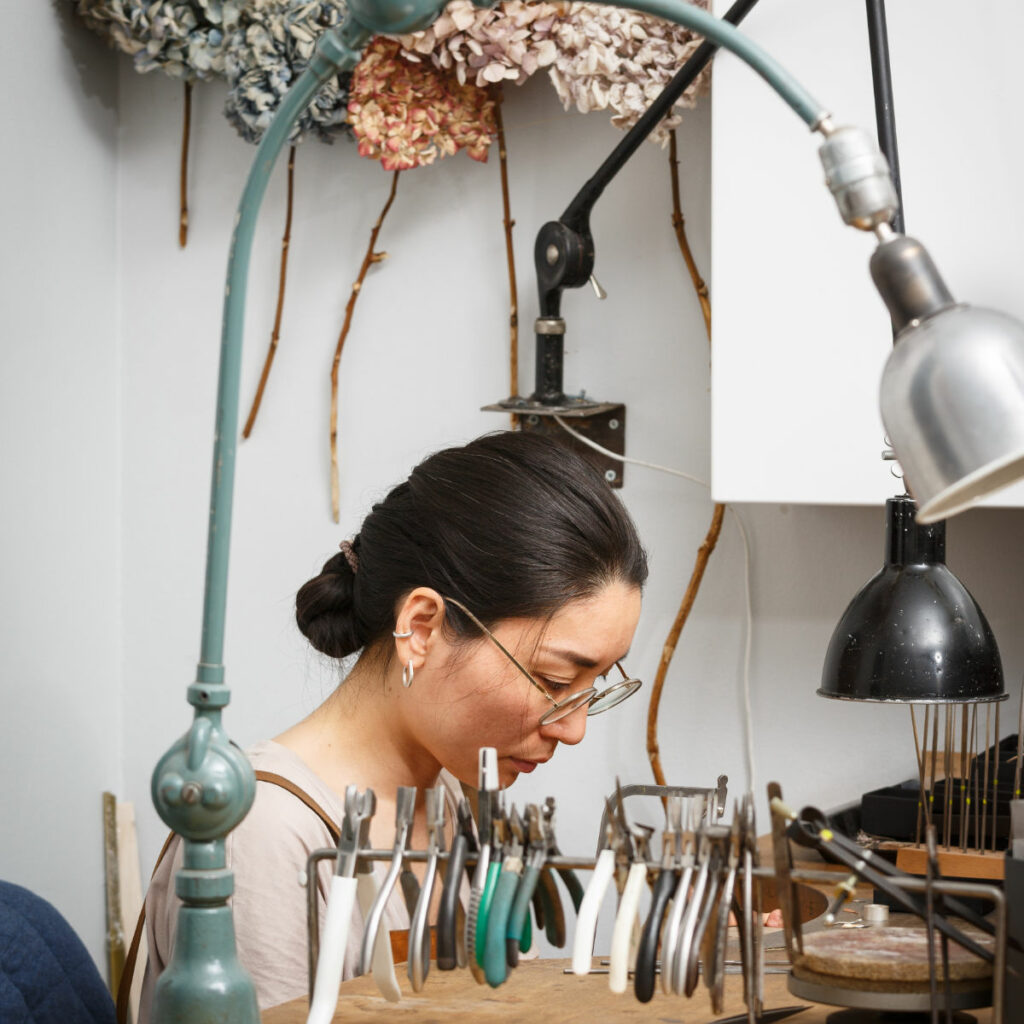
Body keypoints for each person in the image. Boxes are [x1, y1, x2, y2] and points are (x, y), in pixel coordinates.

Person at [139, 430, 648, 1015]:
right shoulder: (265, 837)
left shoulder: (456, 797)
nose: (574, 729)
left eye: (597, 685)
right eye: (556, 681)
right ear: (424, 627)